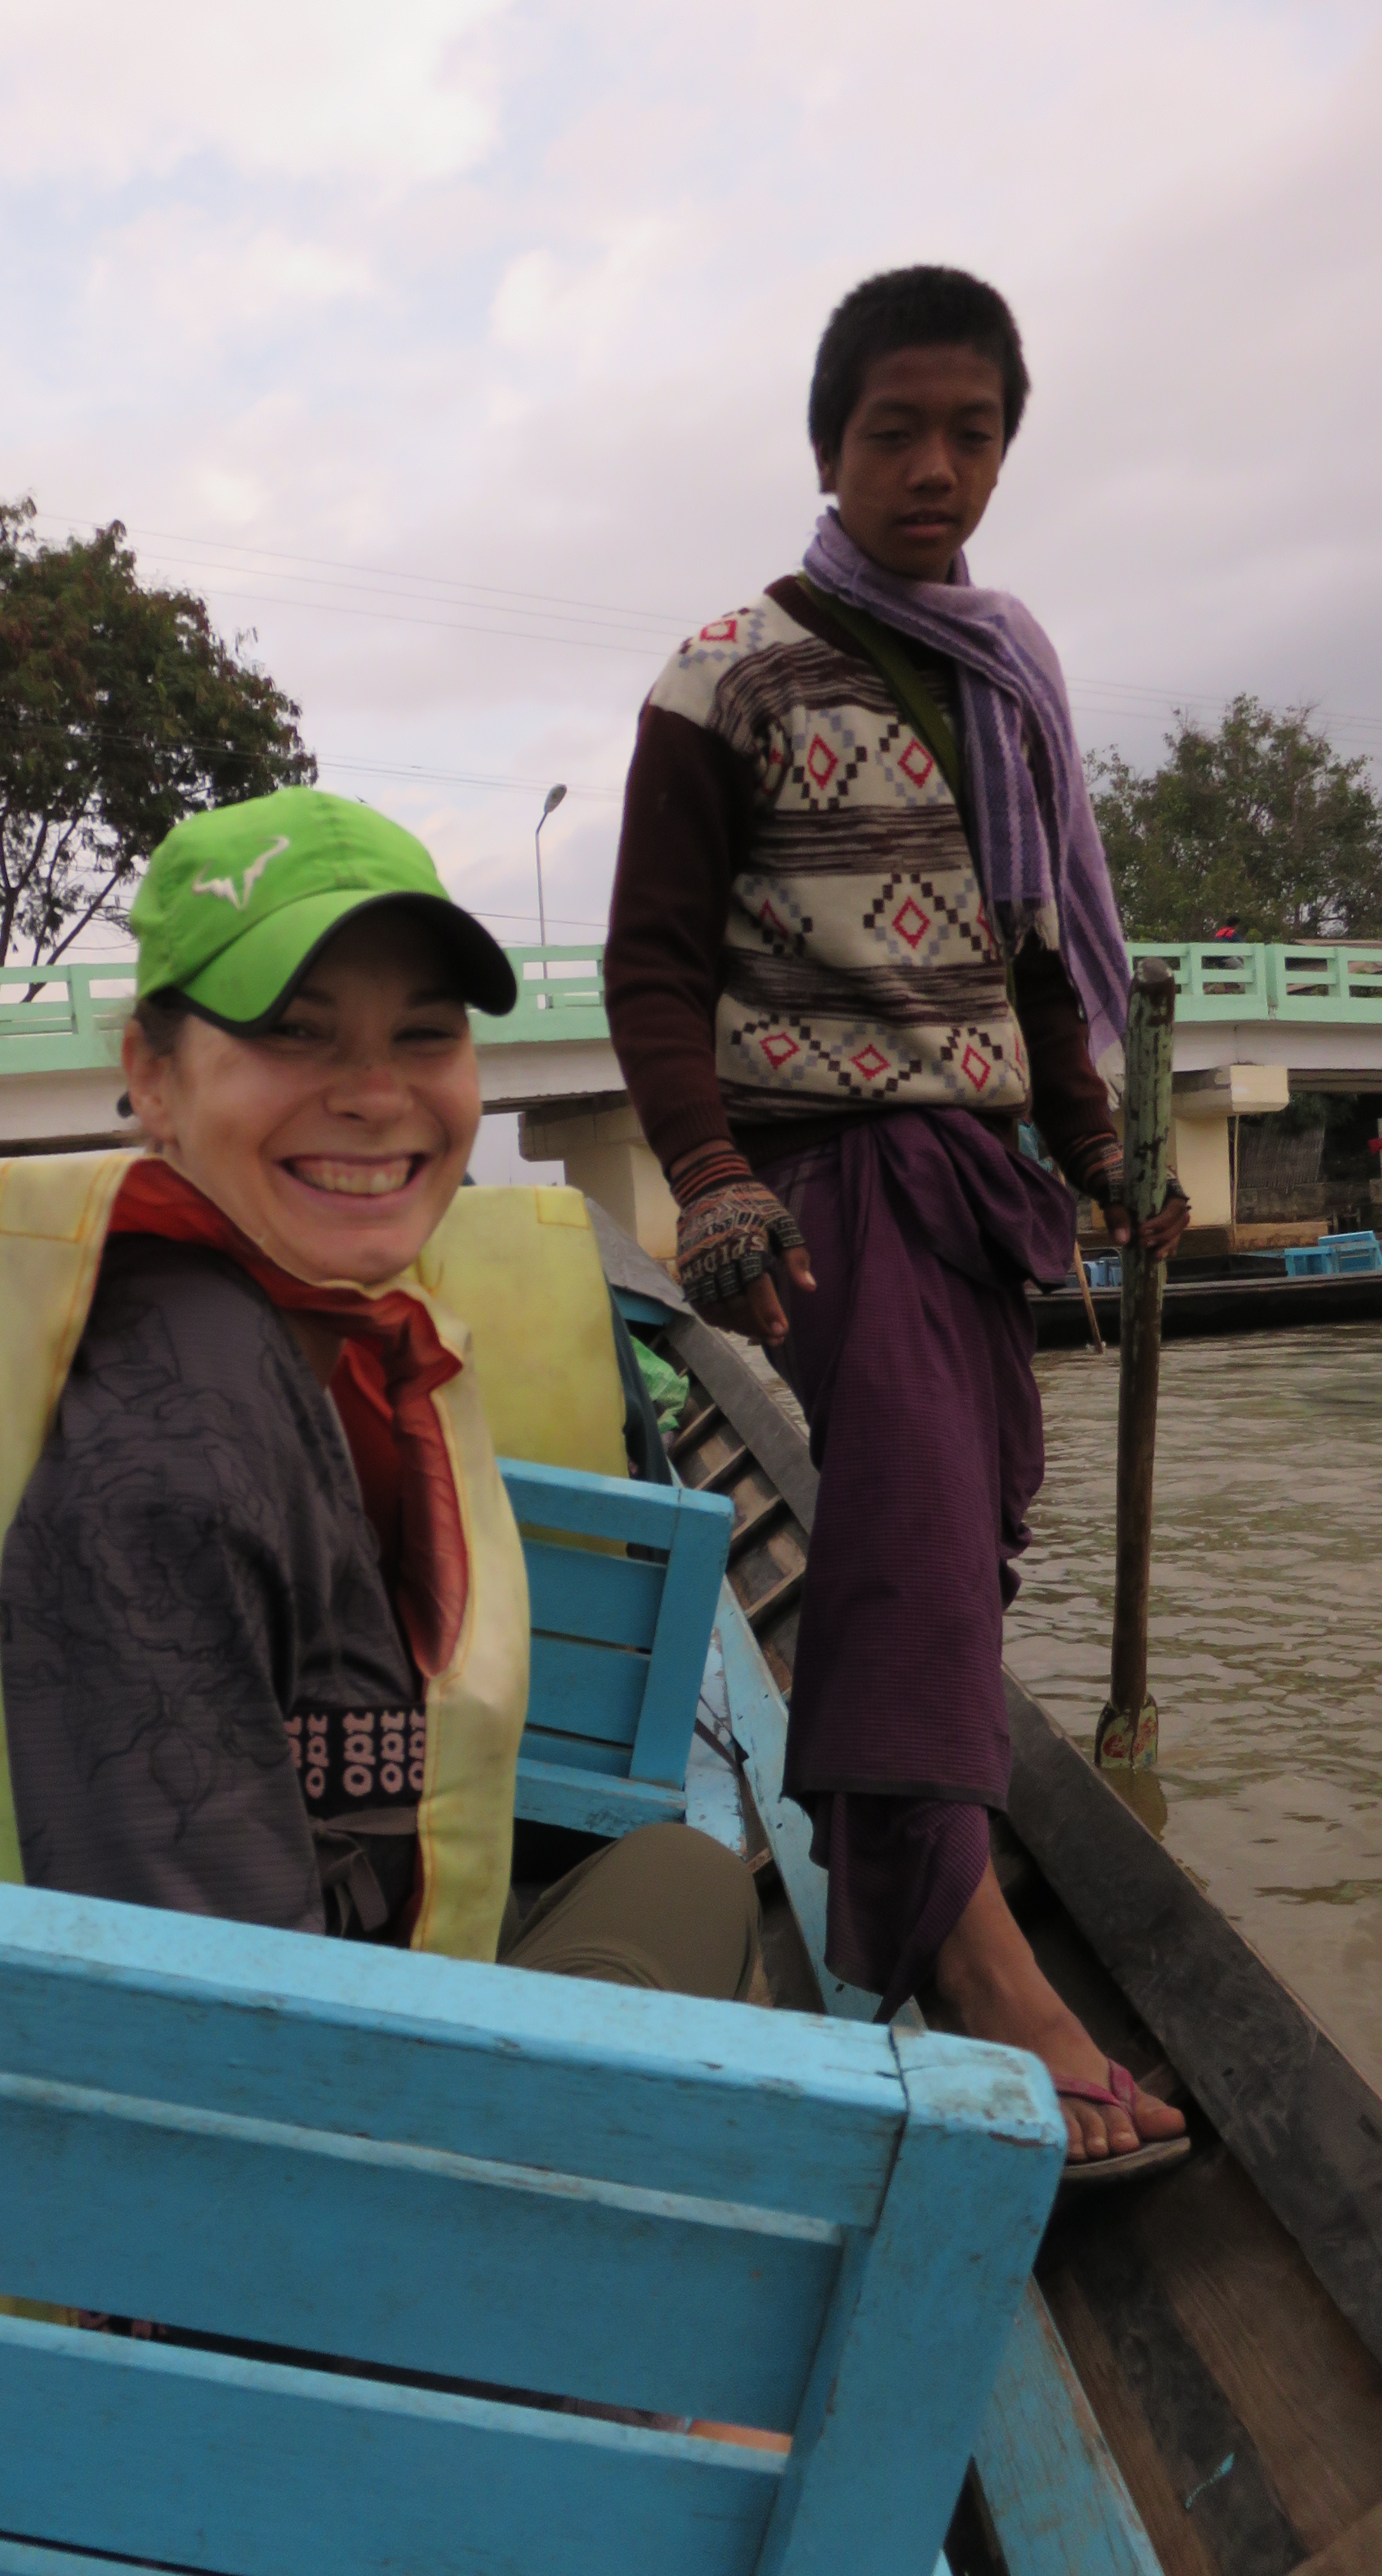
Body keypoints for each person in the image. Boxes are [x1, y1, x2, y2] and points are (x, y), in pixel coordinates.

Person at [603, 265, 1188, 2174]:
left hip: (977, 1180)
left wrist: (1100, 1157)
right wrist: (711, 1177)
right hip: (829, 1185)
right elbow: (652, 968)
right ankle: (978, 1963)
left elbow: (1034, 967)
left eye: (972, 433)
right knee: (918, 1561)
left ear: (1006, 448)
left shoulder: (1004, 680)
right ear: (826, 445)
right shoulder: (725, 674)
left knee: (958, 1539)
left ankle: (907, 1856)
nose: (935, 468)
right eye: (893, 431)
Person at [0, 785, 759, 1996]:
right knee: (698, 1885)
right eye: (295, 1031)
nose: (373, 1093)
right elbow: (208, 2026)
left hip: (366, 1961)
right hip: (306, 2079)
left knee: (682, 1871)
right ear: (153, 1074)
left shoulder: (279, 1336)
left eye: (423, 1034)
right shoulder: (171, 1456)